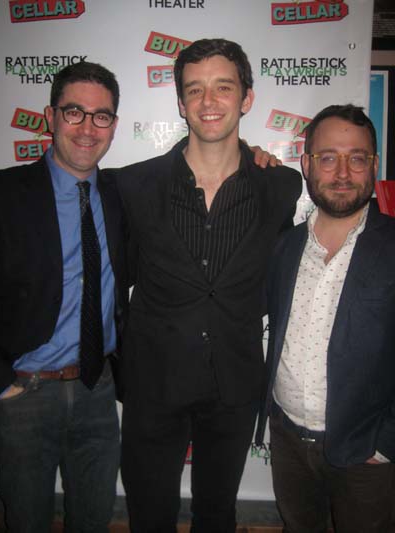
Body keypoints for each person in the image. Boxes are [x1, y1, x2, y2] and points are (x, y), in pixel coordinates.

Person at [117, 38, 302, 533]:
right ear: (180, 102)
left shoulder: (281, 186)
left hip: (235, 385)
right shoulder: (132, 185)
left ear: (247, 97)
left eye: (223, 87)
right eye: (194, 90)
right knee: (148, 515)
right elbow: (116, 280)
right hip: (153, 384)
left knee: (217, 514)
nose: (208, 101)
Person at [0, 61, 129, 533]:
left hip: (99, 390)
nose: (88, 128)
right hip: (24, 395)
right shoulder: (4, 193)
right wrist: (2, 382)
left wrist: (248, 152)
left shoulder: (121, 193)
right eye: (75, 112)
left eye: (102, 116)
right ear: (50, 116)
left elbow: (188, 163)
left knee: (92, 522)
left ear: (114, 124)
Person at [256, 104, 395, 533]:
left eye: (356, 158)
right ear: (306, 163)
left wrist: (386, 444)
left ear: (373, 165)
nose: (342, 172)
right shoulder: (284, 246)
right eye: (327, 157)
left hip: (366, 455)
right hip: (289, 441)